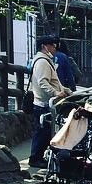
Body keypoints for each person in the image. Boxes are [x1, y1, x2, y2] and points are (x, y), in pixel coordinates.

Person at [27, 35, 71, 168]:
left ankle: (39, 157)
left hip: (46, 102)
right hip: (43, 103)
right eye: (52, 45)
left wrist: (65, 90)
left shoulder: (46, 61)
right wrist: (56, 93)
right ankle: (35, 158)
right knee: (41, 133)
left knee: (45, 132)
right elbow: (43, 82)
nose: (54, 48)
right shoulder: (42, 62)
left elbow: (54, 81)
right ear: (44, 46)